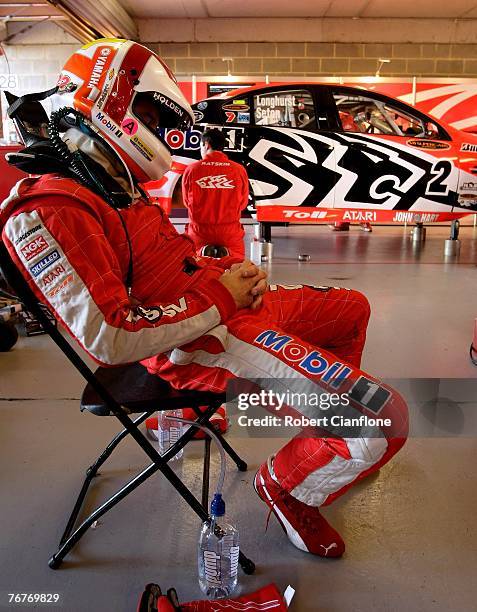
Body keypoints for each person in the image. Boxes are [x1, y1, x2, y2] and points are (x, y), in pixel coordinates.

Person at [0, 39, 408, 559]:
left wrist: (232, 274)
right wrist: (222, 293)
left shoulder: (107, 181)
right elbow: (110, 336)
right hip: (198, 339)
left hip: (223, 306)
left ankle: (326, 434)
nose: (156, 127)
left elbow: (169, 261)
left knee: (353, 309)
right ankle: (286, 487)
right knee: (381, 418)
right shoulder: (51, 207)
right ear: (111, 103)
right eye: (147, 112)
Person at [182, 128, 248, 259]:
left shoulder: (192, 169)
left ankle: (202, 252)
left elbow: (186, 202)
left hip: (199, 231)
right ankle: (228, 254)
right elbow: (243, 203)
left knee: (191, 258)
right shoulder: (239, 170)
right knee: (238, 260)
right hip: (230, 231)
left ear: (206, 145)